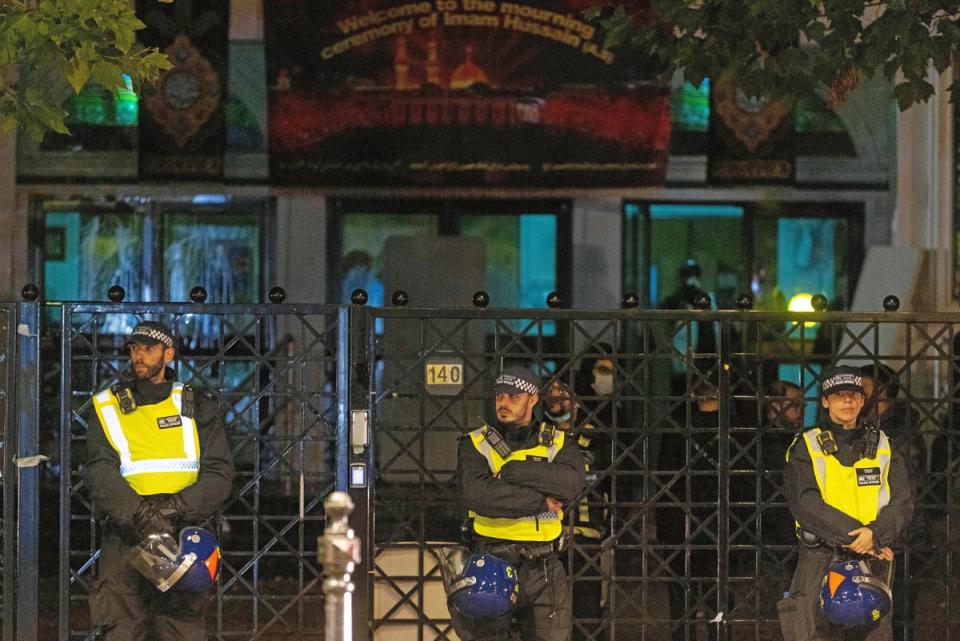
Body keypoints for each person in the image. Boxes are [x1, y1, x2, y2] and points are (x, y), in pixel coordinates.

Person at [85, 321, 235, 641]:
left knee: (181, 625)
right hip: (127, 533)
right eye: (134, 348)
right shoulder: (107, 407)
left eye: (148, 349)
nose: (138, 356)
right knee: (123, 626)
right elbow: (100, 471)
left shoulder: (197, 406)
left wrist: (175, 508)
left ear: (167, 354)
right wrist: (140, 515)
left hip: (182, 532)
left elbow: (219, 471)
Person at [777, 366, 913, 641]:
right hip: (821, 556)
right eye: (838, 395)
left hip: (871, 557)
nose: (847, 401)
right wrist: (857, 536)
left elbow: (903, 501)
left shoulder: (885, 444)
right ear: (826, 401)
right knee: (811, 632)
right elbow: (805, 502)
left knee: (874, 634)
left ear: (862, 400)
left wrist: (875, 535)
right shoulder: (805, 446)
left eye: (853, 395)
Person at [454, 365, 586, 641]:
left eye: (514, 396)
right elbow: (478, 496)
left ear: (533, 399)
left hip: (544, 564)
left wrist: (513, 472)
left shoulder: (559, 442)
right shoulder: (476, 443)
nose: (504, 403)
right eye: (500, 395)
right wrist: (541, 501)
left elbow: (571, 486)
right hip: (490, 559)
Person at [543, 381, 608, 641]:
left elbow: (609, 478)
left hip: (586, 535)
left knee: (588, 612)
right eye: (550, 395)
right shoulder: (537, 435)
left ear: (576, 400)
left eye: (562, 394)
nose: (556, 400)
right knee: (547, 611)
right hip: (546, 535)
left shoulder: (594, 435)